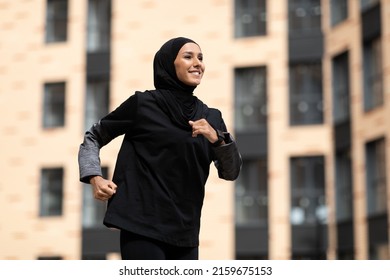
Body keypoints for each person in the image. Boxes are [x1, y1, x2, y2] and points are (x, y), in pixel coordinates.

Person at [78, 37, 242, 260]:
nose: (198, 63)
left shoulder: (212, 117)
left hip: (186, 232)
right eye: (188, 57)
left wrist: (217, 139)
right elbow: (93, 137)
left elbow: (231, 172)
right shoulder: (142, 105)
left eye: (201, 58)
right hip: (141, 226)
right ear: (168, 64)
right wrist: (94, 177)